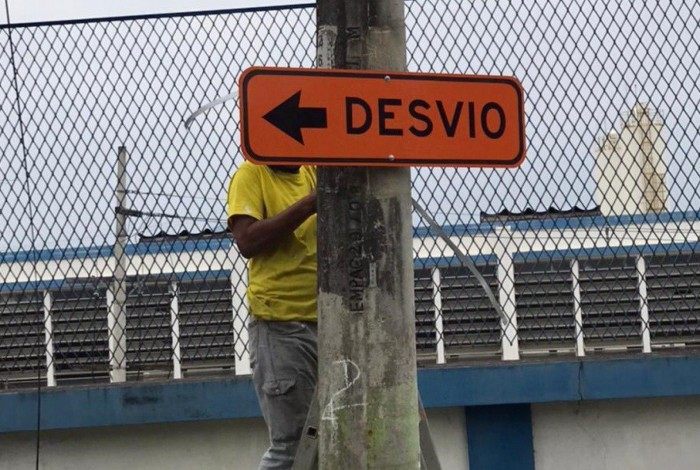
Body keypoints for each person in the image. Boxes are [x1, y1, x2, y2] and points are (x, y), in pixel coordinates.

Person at [226, 161, 318, 470]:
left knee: (327, 439)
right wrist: (308, 205)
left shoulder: (311, 172)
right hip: (281, 325)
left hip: (325, 320)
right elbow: (247, 240)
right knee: (293, 447)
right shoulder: (252, 175)